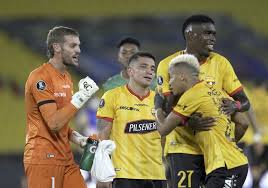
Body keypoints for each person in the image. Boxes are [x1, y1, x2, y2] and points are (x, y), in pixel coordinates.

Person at [156, 15, 251, 187]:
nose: (213, 38)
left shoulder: (221, 63)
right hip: (183, 148)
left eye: (214, 33)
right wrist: (187, 122)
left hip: (213, 152)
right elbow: (167, 107)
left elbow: (244, 105)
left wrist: (235, 106)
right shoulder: (167, 65)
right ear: (190, 35)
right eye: (207, 33)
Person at [24, 26, 99, 188]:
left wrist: (79, 139)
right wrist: (81, 97)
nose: (78, 50)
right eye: (73, 46)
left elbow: (62, 123)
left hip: (65, 158)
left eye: (79, 45)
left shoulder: (66, 78)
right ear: (56, 47)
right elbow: (54, 123)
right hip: (43, 159)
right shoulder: (40, 78)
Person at [96, 52, 166, 188]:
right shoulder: (112, 96)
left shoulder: (160, 100)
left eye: (152, 68)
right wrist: (102, 173)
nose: (149, 72)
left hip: (157, 175)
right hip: (124, 175)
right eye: (143, 67)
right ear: (130, 71)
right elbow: (102, 137)